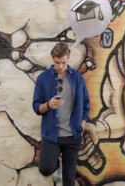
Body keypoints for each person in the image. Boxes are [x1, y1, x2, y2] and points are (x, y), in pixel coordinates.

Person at [32, 42, 90, 185]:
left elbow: (86, 106)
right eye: (57, 62)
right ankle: (56, 162)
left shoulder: (77, 79)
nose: (60, 66)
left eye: (63, 62)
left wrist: (82, 125)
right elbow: (36, 107)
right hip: (52, 135)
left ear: (68, 58)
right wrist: (48, 105)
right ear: (52, 59)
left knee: (69, 178)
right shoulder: (43, 79)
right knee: (45, 168)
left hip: (73, 135)